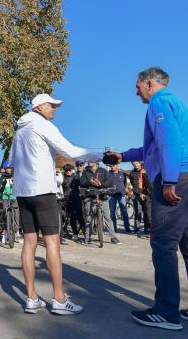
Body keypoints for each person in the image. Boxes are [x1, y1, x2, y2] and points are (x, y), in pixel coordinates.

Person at [104, 67, 188, 330]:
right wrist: (123, 156)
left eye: (138, 85)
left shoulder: (159, 102)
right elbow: (154, 146)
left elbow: (169, 141)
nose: (136, 91)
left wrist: (169, 180)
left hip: (180, 175)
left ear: (150, 83)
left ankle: (166, 312)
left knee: (164, 243)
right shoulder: (175, 102)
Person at [8, 92, 100, 316]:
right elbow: (70, 151)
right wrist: (101, 155)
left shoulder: (19, 130)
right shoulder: (42, 124)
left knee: (29, 242)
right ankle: (59, 299)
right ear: (39, 107)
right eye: (51, 105)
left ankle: (31, 298)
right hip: (42, 190)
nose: (55, 109)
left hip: (23, 191)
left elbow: (11, 161)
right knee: (52, 244)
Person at [82, 161, 119, 244]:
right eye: (87, 160)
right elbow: (82, 182)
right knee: (89, 218)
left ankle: (113, 237)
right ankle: (87, 237)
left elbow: (110, 182)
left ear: (95, 162)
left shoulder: (103, 171)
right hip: (90, 196)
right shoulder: (85, 171)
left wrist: (100, 184)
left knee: (107, 217)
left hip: (102, 196)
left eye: (91, 160)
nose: (88, 162)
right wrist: (90, 182)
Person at [108, 161, 131, 234]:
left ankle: (127, 227)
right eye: (111, 166)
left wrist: (125, 189)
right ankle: (114, 227)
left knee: (124, 211)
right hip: (111, 196)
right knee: (112, 213)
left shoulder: (122, 174)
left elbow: (125, 183)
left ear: (117, 166)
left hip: (121, 195)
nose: (112, 167)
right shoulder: (108, 174)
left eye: (113, 165)